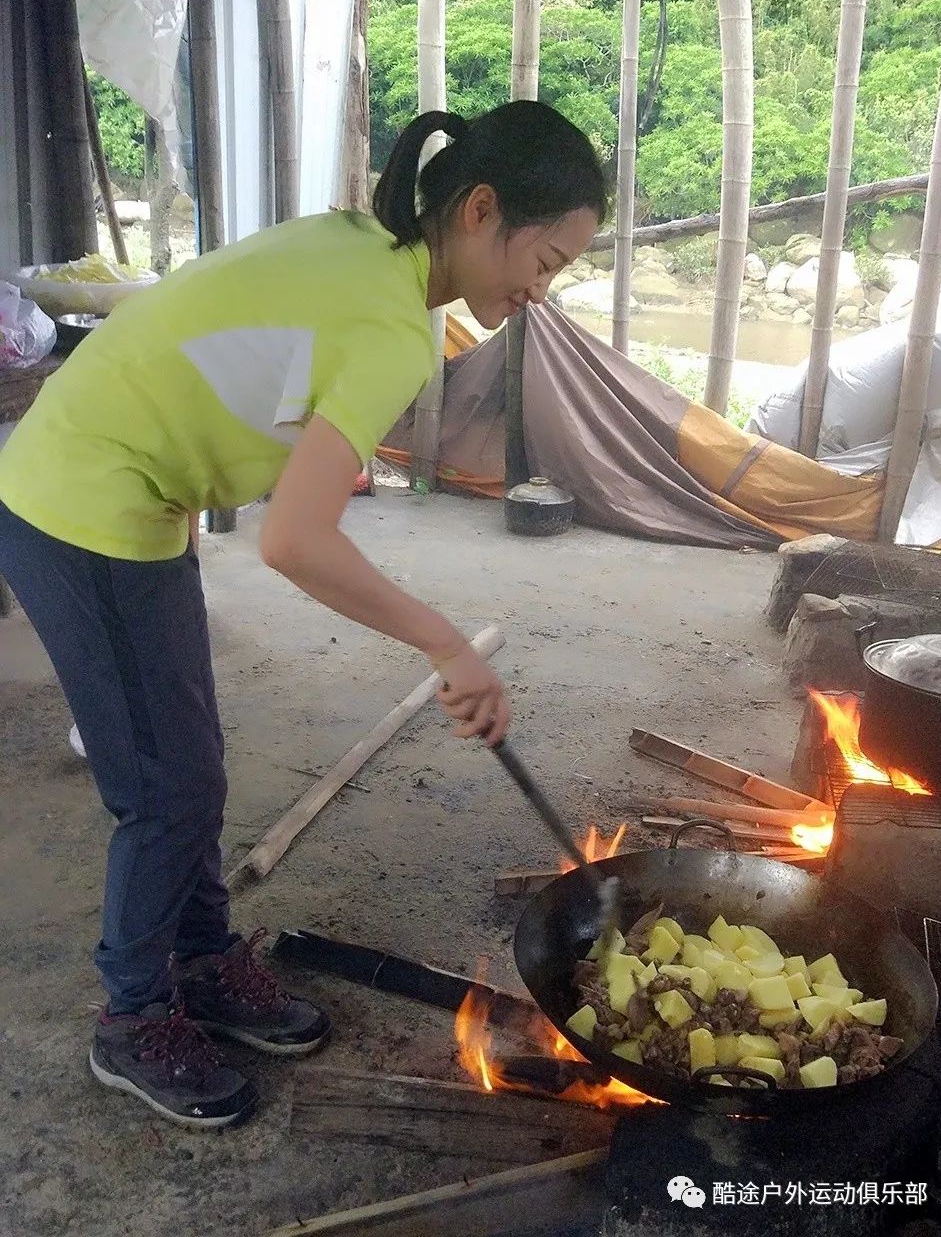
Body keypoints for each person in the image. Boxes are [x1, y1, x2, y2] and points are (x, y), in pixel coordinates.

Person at [0, 101, 607, 1129]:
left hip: (131, 492)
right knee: (164, 786)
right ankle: (133, 1014)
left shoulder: (367, 248)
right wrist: (445, 641)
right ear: (481, 208)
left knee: (188, 765)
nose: (538, 290)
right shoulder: (387, 326)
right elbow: (293, 538)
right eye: (542, 259)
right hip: (81, 503)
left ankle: (199, 958)